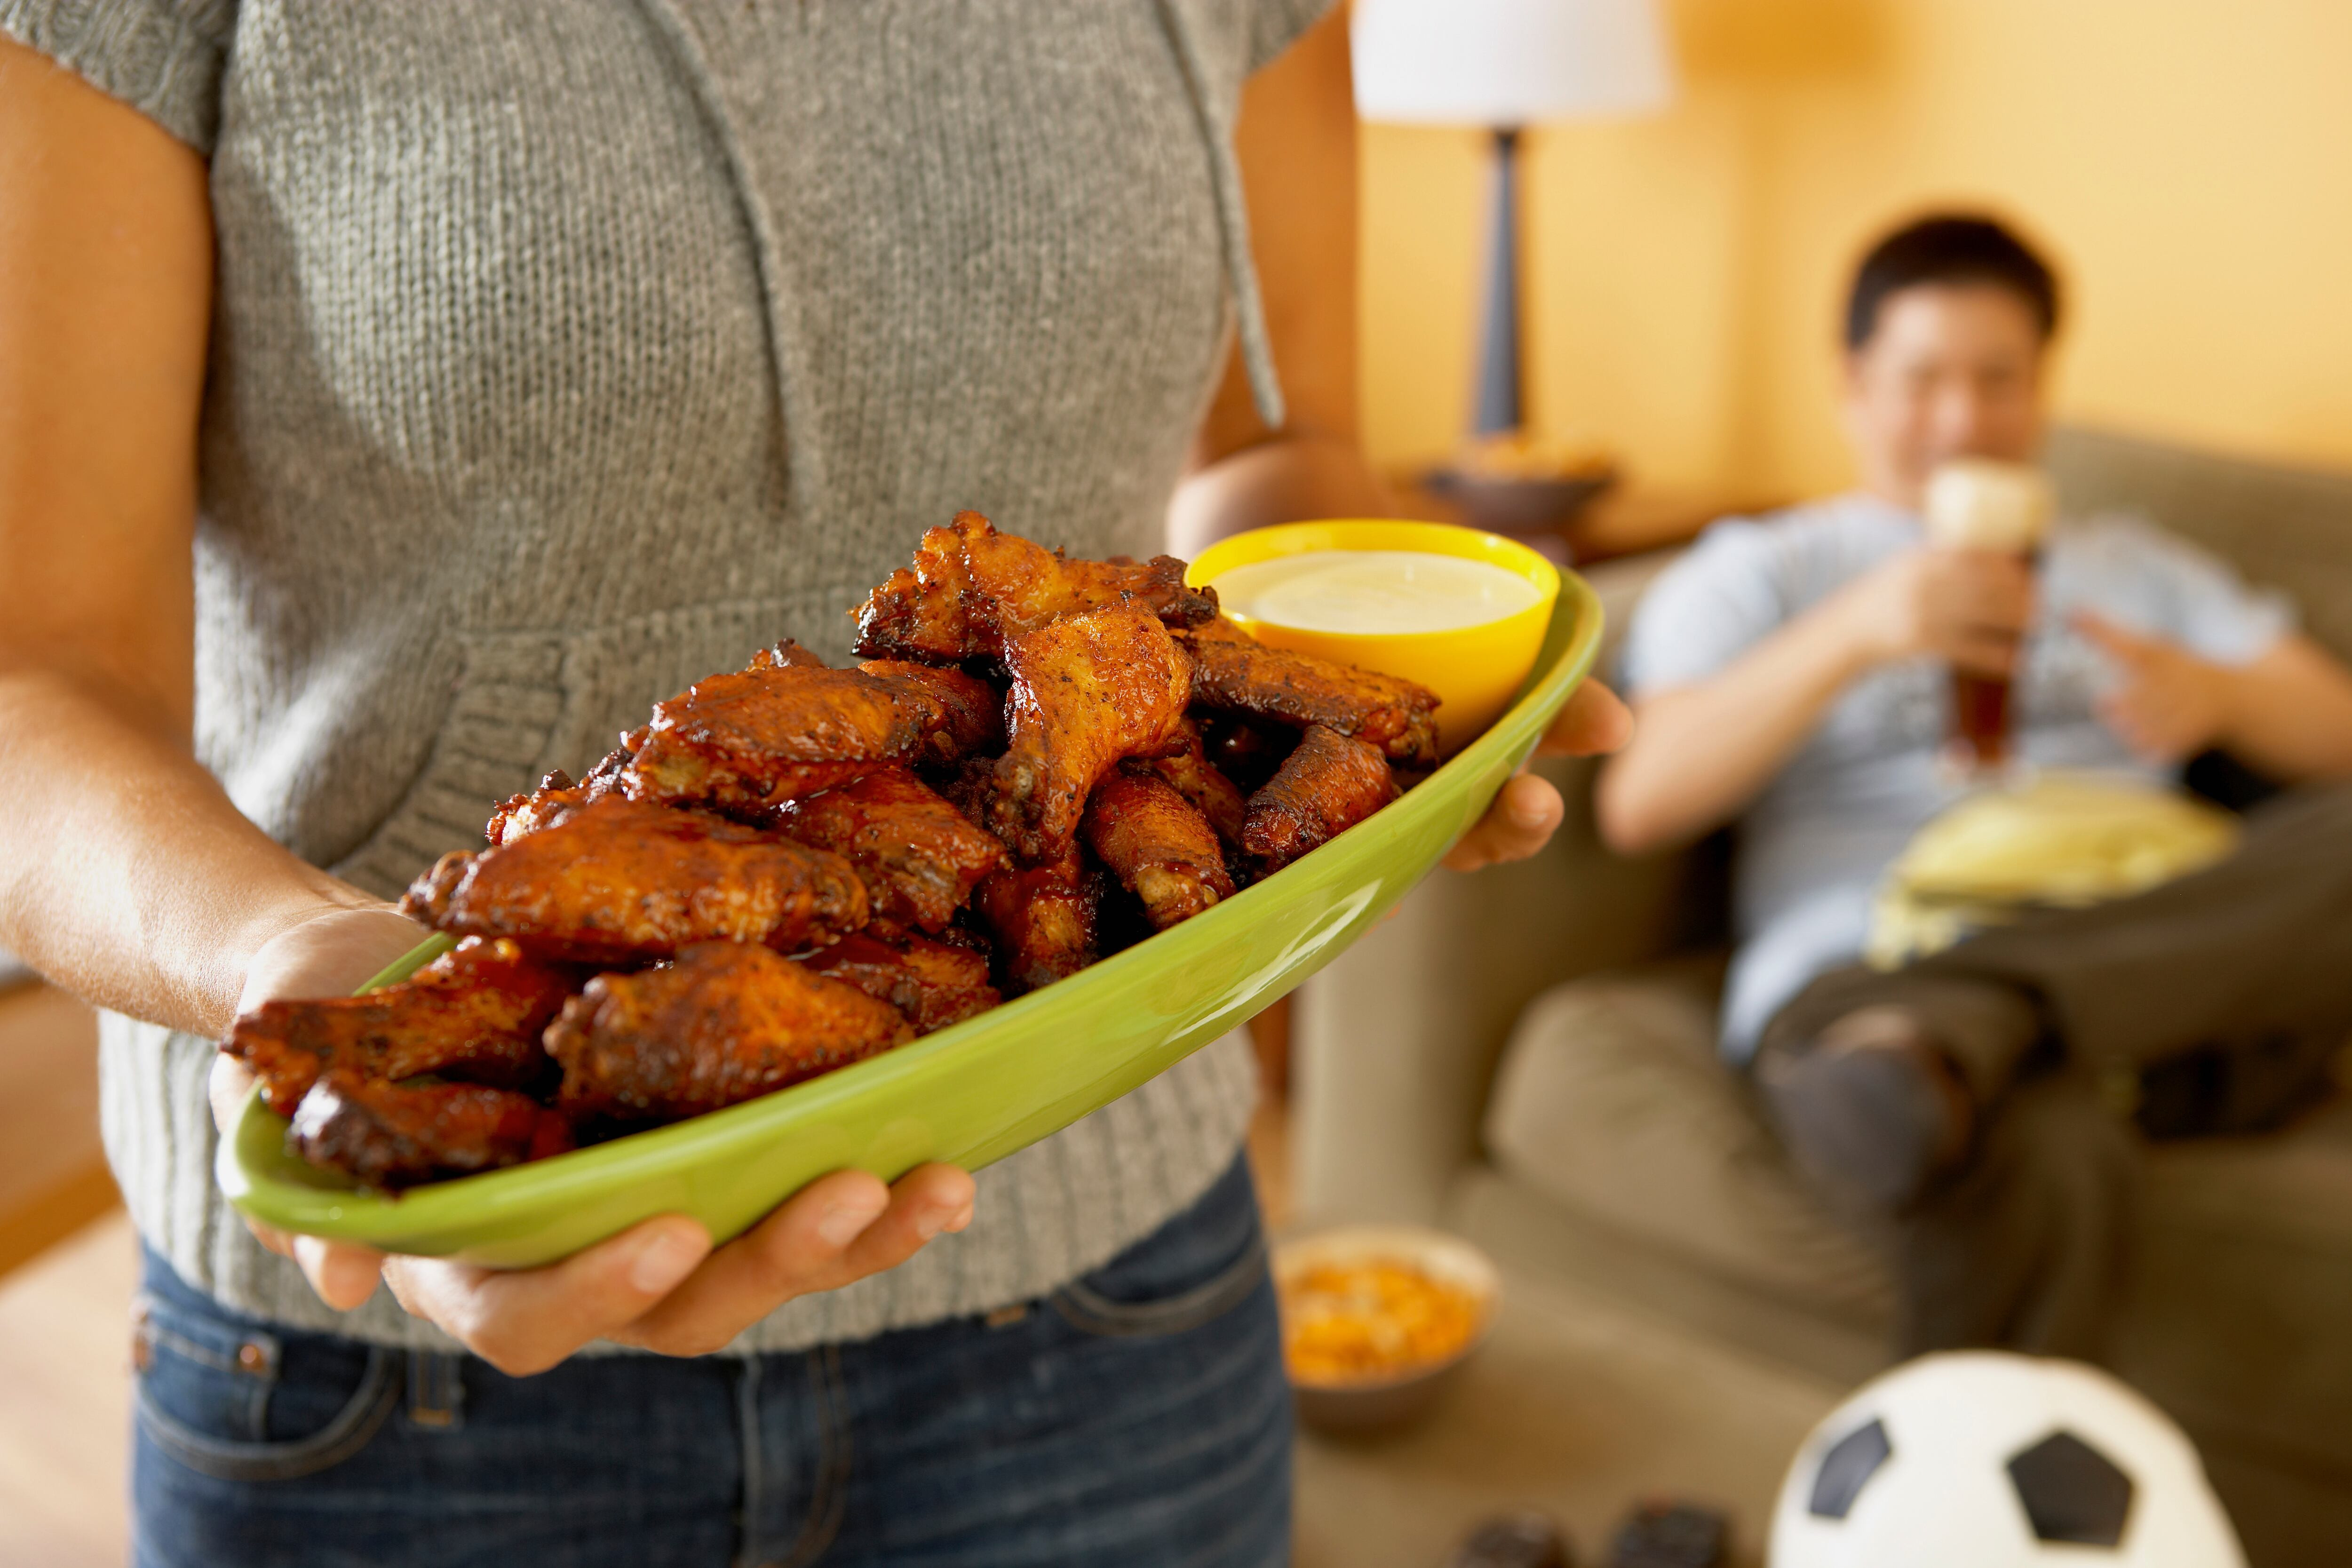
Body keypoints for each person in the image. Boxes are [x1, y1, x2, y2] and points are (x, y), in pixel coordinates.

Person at [0, 9, 1628, 1566]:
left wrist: (1378, 720)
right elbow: (34, 676)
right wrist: (290, 961)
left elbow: (1283, 451)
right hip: (412, 1332)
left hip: (1097, 1277)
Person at [1597, 213, 2352, 1354]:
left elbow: (2336, 735)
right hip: (1869, 959)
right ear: (1853, 387)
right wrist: (1853, 633)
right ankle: (1945, 1051)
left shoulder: (2134, 566)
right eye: (1923, 379)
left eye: (1997, 378)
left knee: (1960, 1062)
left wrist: (2225, 695)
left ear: (2041, 385)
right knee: (2039, 1147)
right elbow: (1638, 798)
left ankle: (1959, 1022)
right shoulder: (1767, 568)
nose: (1961, 418)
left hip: (2155, 963)